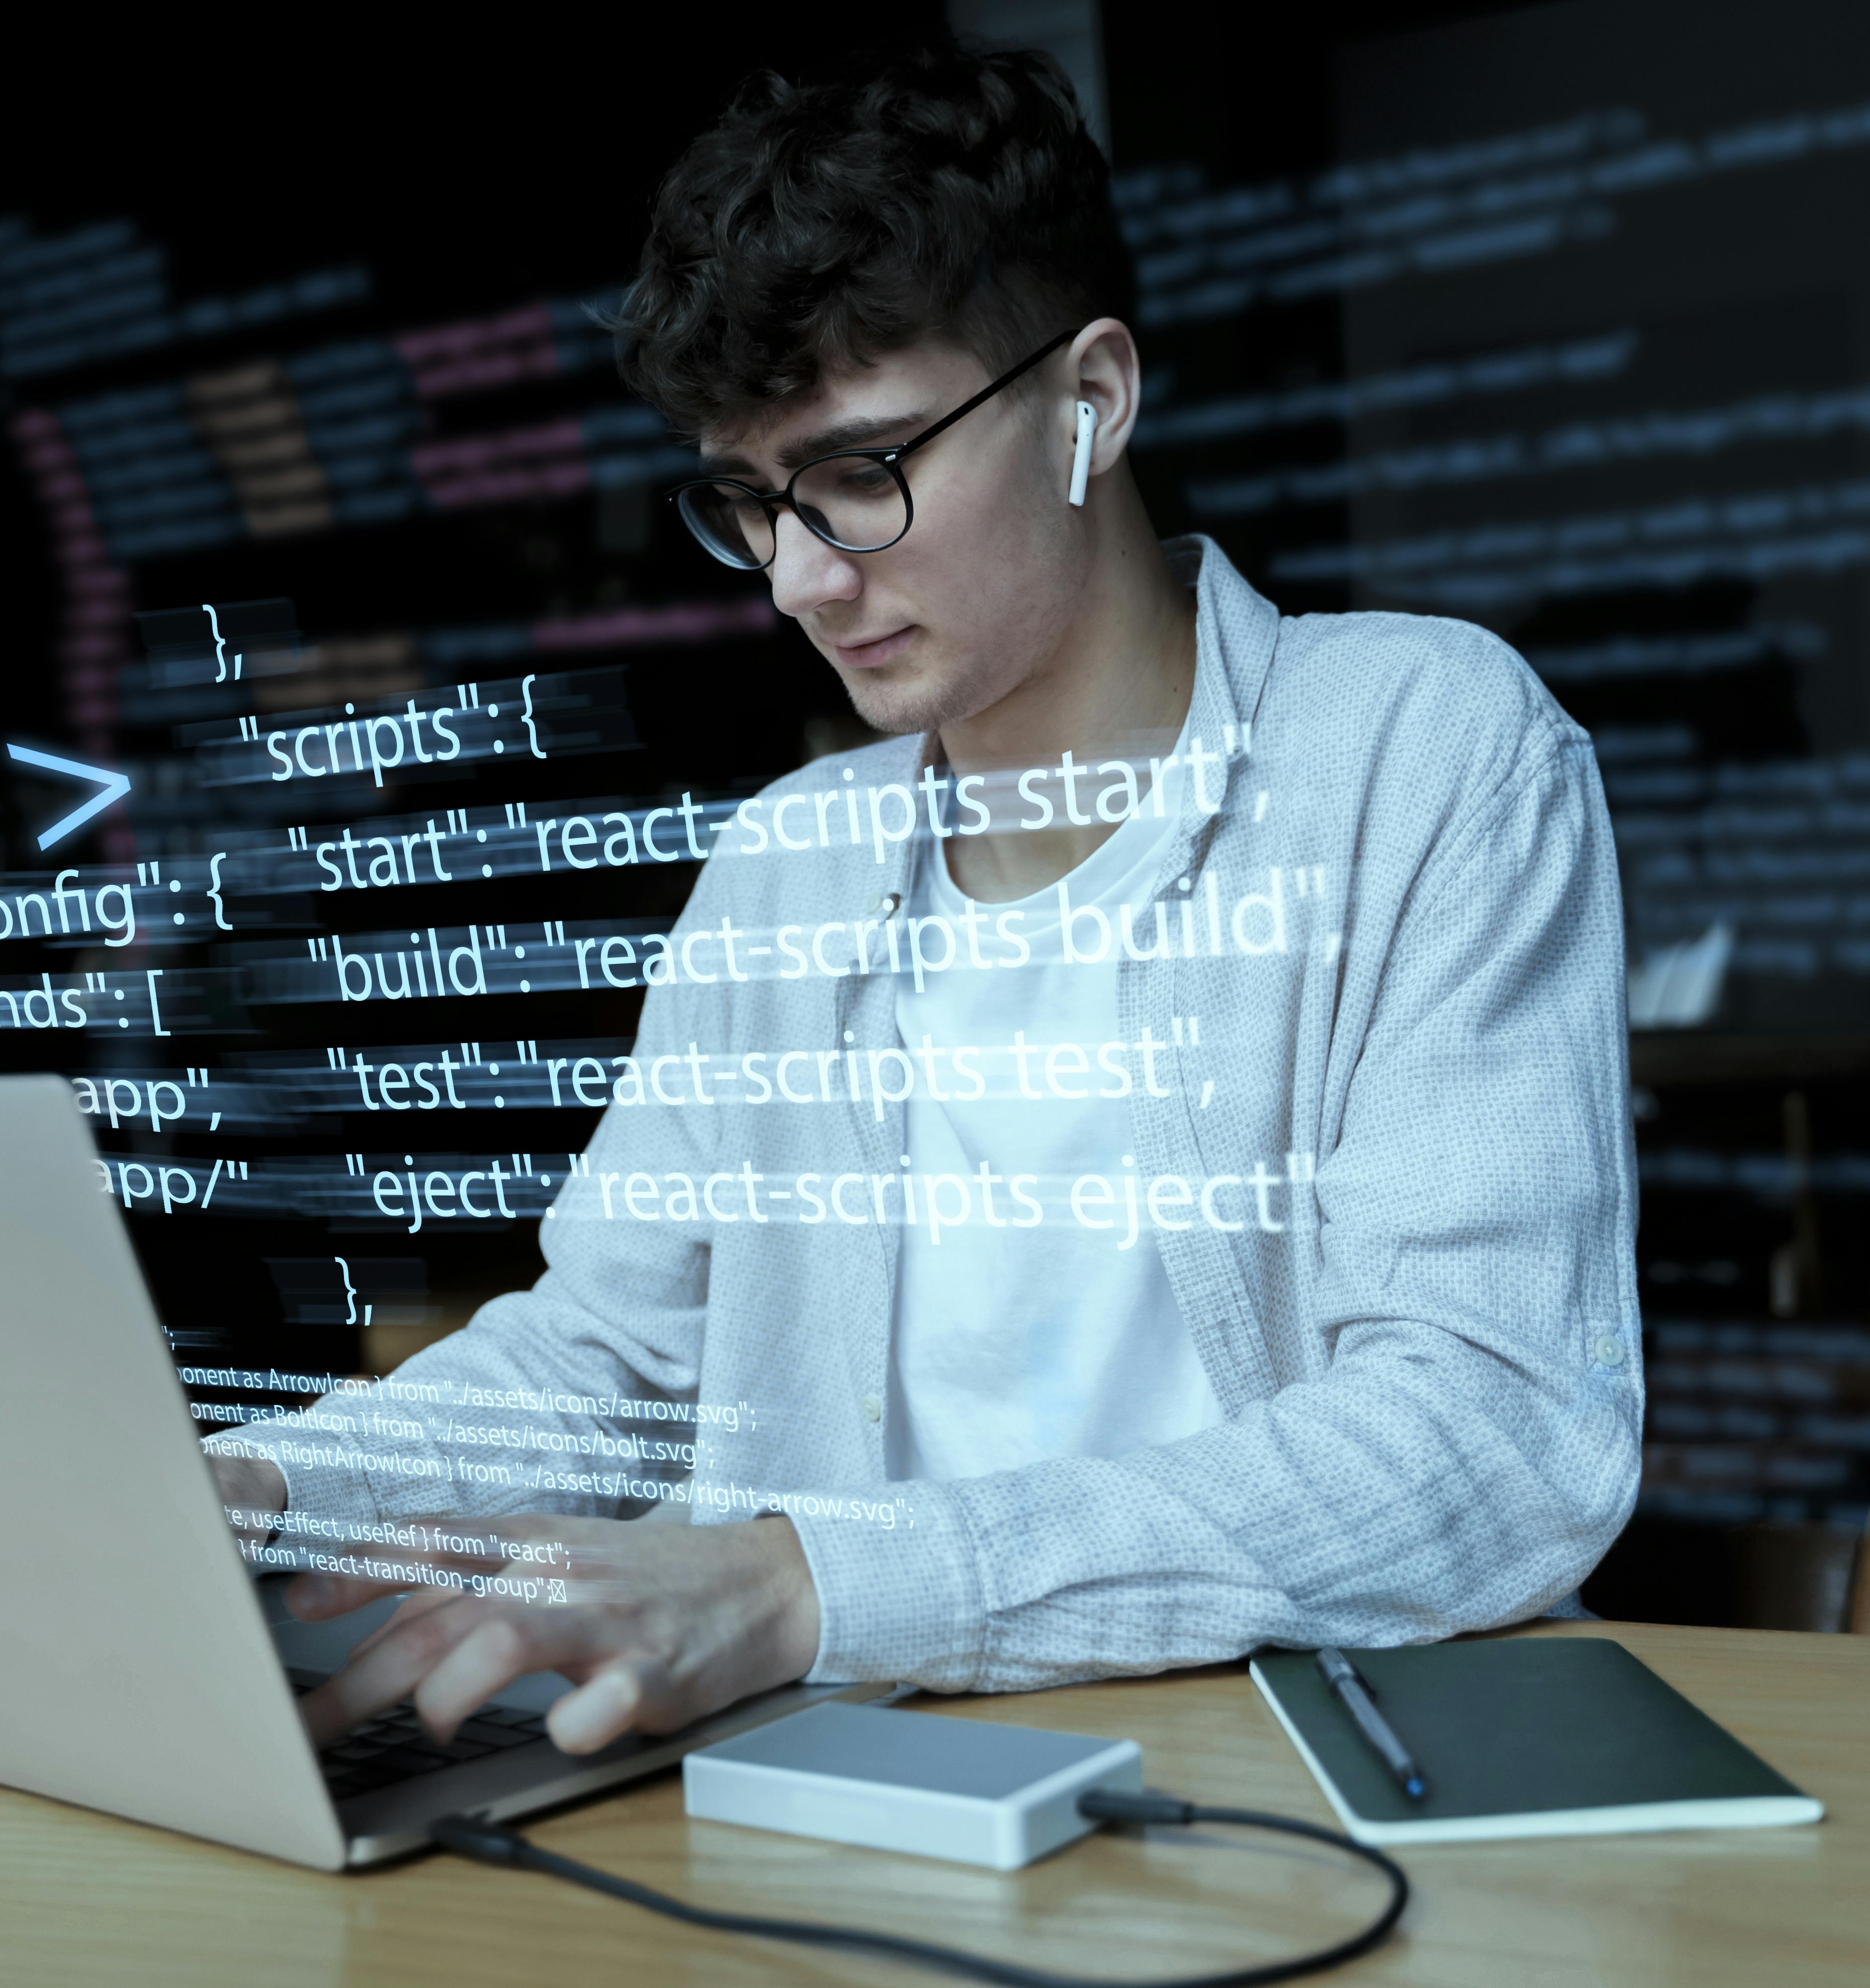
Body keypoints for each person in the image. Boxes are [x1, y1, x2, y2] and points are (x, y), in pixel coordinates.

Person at [214, 43, 1641, 1757]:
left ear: (1086, 403)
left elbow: (1486, 1439)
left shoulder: (1421, 750)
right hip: (856, 1793)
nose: (804, 577)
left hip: (1320, 1775)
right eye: (749, 501)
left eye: (860, 469)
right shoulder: (785, 867)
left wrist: (806, 1584)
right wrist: (262, 1482)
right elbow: (614, 1364)